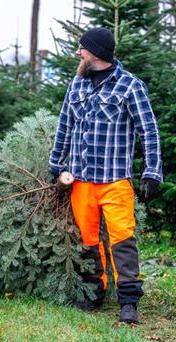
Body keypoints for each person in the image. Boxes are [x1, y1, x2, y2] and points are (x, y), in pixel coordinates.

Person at [48, 27, 163, 323]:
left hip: (115, 180)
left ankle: (128, 301)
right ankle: (93, 292)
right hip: (81, 179)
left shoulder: (129, 86)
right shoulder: (77, 85)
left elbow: (148, 130)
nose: (78, 52)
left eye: (82, 48)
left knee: (122, 241)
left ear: (96, 52)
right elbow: (64, 126)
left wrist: (153, 172)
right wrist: (55, 165)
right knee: (88, 241)